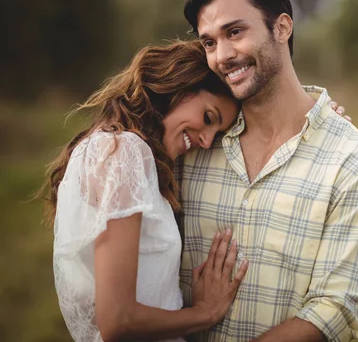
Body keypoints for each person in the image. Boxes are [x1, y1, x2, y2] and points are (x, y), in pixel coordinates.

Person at [178, 0, 358, 341]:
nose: (222, 56)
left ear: (282, 28)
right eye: (209, 42)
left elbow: (334, 311)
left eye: (235, 32)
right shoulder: (195, 143)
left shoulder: (355, 164)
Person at [40, 40, 249, 342]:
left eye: (215, 134)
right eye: (208, 118)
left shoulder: (121, 151)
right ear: (180, 87)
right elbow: (118, 321)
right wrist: (205, 312)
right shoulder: (125, 152)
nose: (206, 140)